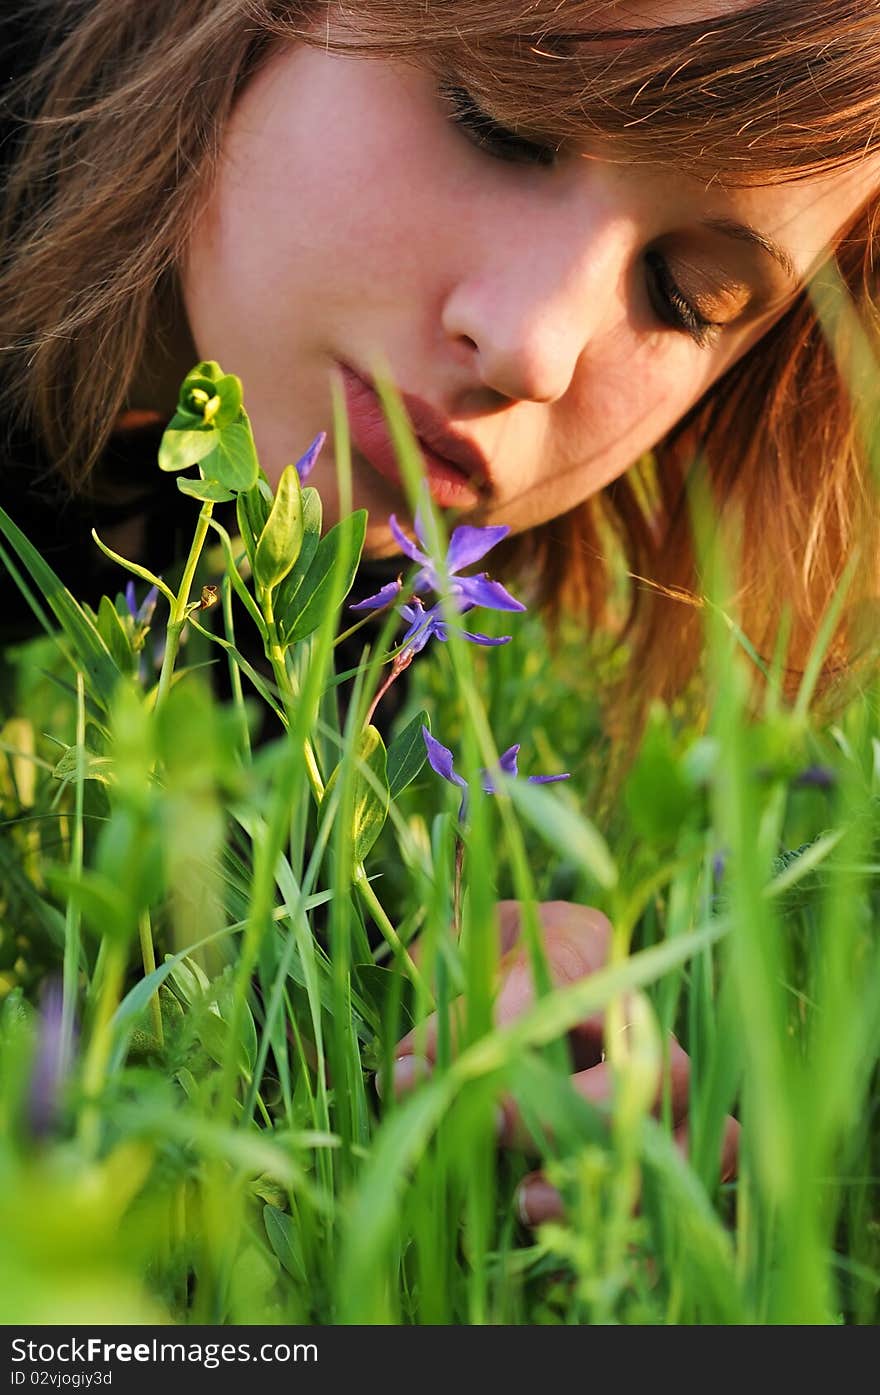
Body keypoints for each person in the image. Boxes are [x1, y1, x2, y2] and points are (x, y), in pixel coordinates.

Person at [2, 0, 879, 1223]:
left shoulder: (318, 569)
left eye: (684, 296)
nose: (533, 346)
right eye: (501, 122)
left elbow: (233, 1016)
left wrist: (447, 1004)